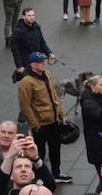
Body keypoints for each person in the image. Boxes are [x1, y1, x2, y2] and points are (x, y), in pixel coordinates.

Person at [17, 51, 72, 184]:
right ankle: (38, 176)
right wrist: (34, 124)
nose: (43, 64)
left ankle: (56, 173)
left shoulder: (47, 75)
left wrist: (61, 114)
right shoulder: (26, 82)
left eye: (44, 61)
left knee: (55, 149)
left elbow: (54, 96)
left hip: (53, 120)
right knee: (39, 152)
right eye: (40, 62)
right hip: (40, 124)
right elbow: (25, 105)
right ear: (33, 65)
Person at [10, 8, 55, 81]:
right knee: (29, 84)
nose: (32, 17)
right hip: (26, 63)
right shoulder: (18, 32)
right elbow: (15, 51)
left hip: (37, 60)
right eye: (29, 15)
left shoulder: (36, 27)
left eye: (33, 15)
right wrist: (19, 66)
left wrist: (48, 53)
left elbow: (42, 42)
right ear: (24, 17)